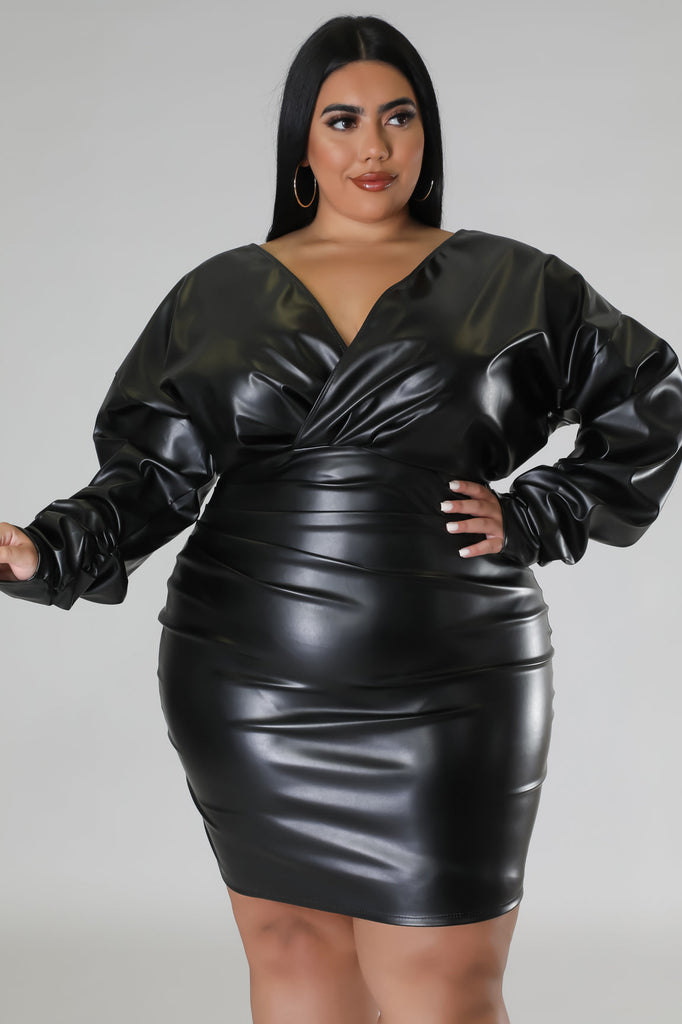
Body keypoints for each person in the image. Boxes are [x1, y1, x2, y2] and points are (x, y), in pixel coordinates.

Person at [1, 13, 681, 1024]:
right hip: (248, 678)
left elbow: (651, 399)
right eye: (344, 120)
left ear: (427, 135)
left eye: (399, 118)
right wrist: (48, 549)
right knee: (293, 968)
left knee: (444, 989)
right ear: (302, 145)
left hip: (451, 682)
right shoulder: (217, 294)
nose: (375, 147)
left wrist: (538, 514)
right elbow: (153, 474)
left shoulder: (513, 282)